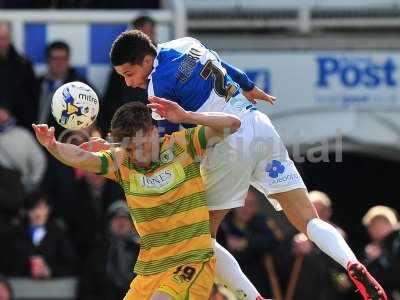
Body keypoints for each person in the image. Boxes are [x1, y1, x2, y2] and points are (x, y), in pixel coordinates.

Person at [108, 30, 387, 300]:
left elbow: (167, 140)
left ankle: (252, 298)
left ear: (146, 61)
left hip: (228, 142)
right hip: (259, 126)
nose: (129, 83)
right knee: (308, 219)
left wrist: (119, 150)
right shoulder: (185, 43)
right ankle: (352, 264)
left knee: (201, 240)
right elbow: (223, 63)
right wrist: (250, 87)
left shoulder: (157, 86)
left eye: (128, 74)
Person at [32, 98, 241, 299]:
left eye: (141, 146)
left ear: (152, 131)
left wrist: (187, 116)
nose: (136, 155)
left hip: (191, 261)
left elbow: (233, 123)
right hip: (150, 271)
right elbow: (82, 157)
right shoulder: (122, 163)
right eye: (129, 149)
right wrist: (53, 146)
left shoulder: (183, 145)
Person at [218, 188, 278, 298]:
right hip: (229, 281)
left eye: (250, 204)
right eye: (242, 204)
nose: (246, 208)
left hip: (259, 279)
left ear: (256, 207)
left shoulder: (261, 222)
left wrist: (246, 243)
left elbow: (274, 240)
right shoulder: (223, 222)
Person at [101, 15, 156, 133]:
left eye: (149, 33)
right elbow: (110, 103)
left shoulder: (167, 68)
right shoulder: (119, 70)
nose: (129, 82)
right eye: (142, 34)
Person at [78, 200, 140, 300]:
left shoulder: (142, 251)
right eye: (116, 218)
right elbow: (86, 289)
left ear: (133, 224)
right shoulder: (98, 252)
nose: (121, 222)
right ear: (108, 224)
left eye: (125, 218)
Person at [11, 192, 77, 278]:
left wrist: (50, 271)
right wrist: (28, 268)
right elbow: (8, 264)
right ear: (27, 211)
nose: (38, 213)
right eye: (33, 209)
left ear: (49, 210)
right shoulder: (16, 234)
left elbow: (73, 265)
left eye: (42, 208)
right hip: (22, 285)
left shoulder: (58, 234)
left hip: (52, 287)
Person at [0, 104, 47, 193]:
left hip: (22, 189)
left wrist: (33, 182)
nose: (1, 114)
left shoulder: (23, 134)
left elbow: (39, 160)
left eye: (3, 110)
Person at [0, 22, 38, 130]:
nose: (1, 43)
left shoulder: (23, 65)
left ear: (9, 39)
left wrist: (8, 113)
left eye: (3, 38)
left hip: (18, 126)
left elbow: (30, 100)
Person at [362, 206, 400, 298]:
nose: (369, 232)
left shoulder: (395, 242)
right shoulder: (387, 243)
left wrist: (376, 259)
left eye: (370, 227)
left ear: (379, 225)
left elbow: (395, 275)